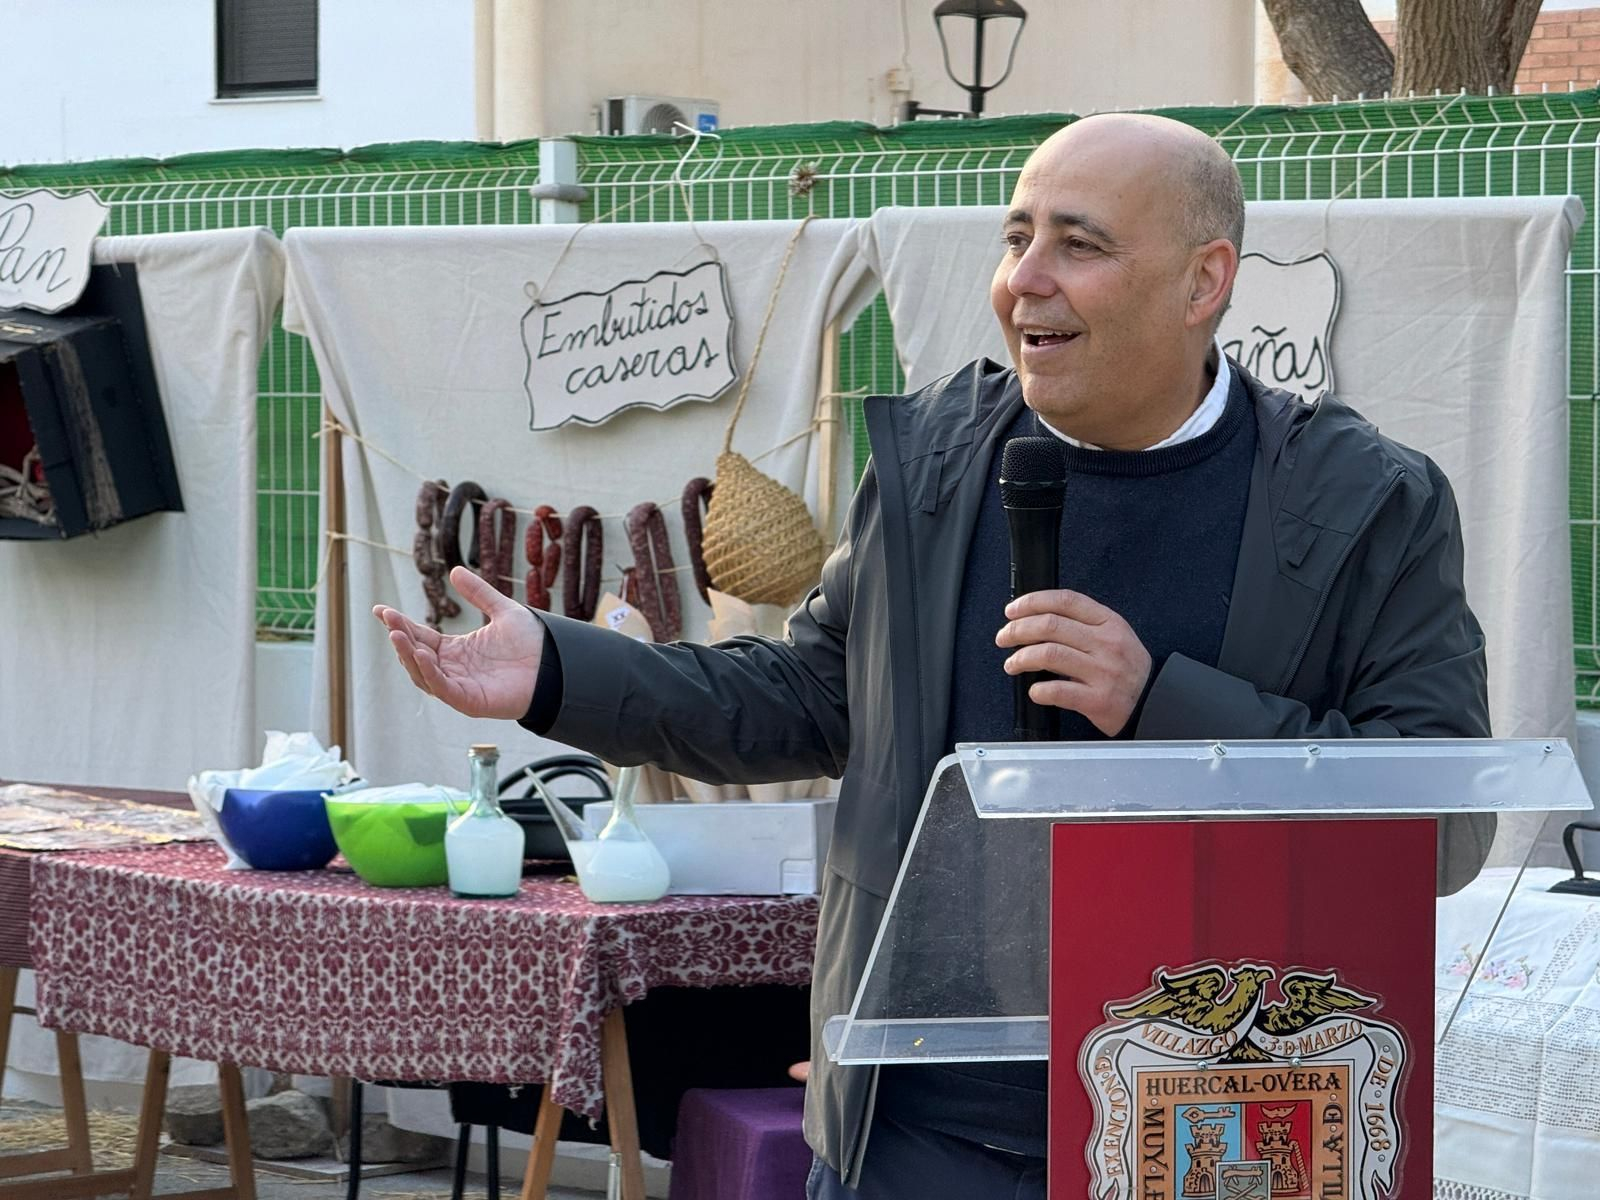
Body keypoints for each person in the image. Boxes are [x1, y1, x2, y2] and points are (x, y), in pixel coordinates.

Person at [375, 113, 1494, 1199]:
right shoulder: (940, 459)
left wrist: (1161, 703)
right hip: (922, 1125)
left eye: (1079, 243)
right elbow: (805, 700)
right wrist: (560, 673)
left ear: (1204, 282)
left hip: (1219, 1120)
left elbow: (1442, 824)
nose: (1025, 279)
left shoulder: (1363, 501)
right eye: (1016, 238)